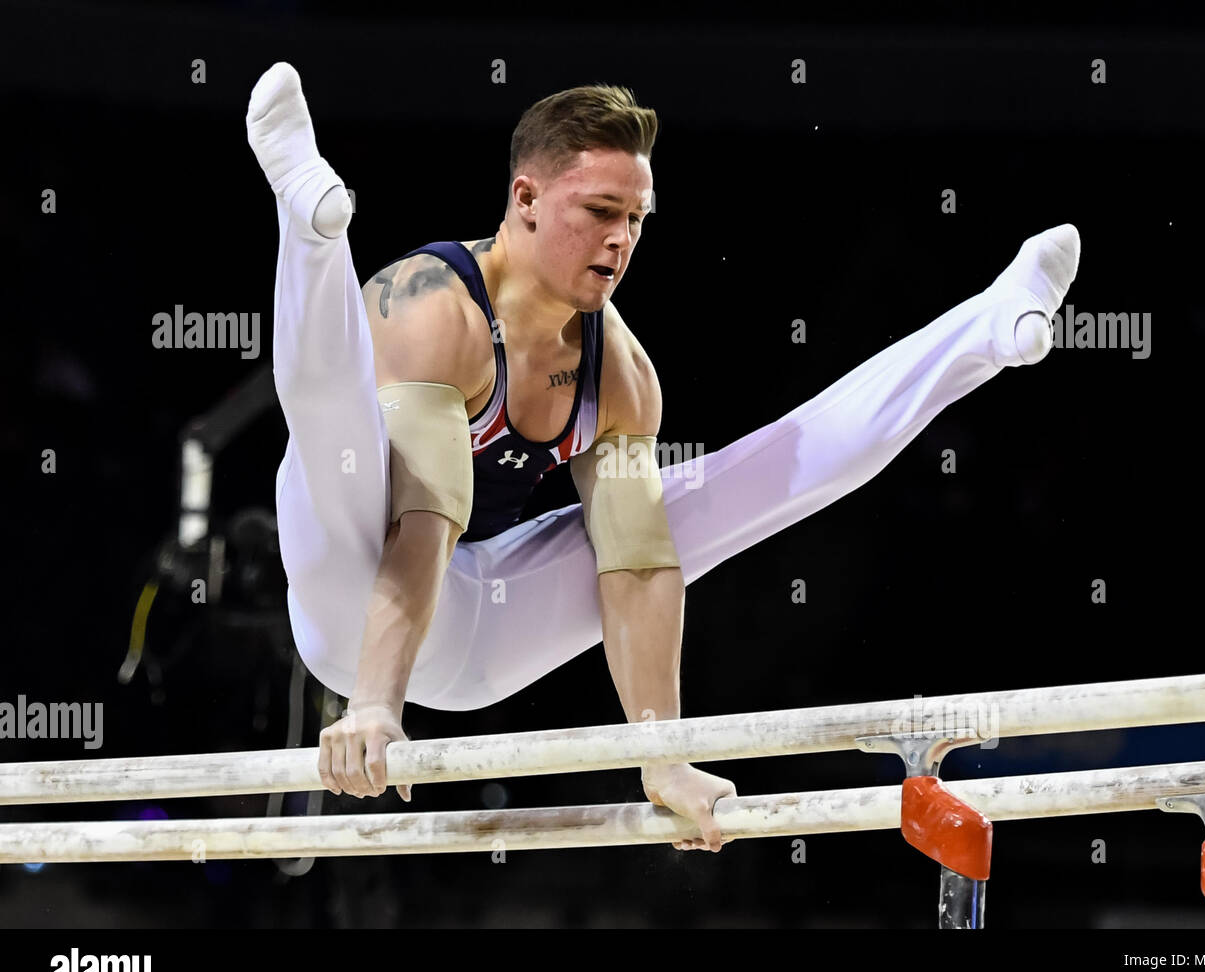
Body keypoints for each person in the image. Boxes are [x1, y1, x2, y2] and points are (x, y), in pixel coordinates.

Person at [246, 61, 1080, 853]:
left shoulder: (621, 375)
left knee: (734, 489)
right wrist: (372, 707)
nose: (621, 241)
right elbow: (421, 523)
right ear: (526, 199)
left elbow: (638, 573)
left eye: (637, 220)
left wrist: (664, 757)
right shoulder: (432, 309)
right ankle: (310, 218)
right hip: (351, 607)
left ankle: (987, 328)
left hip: (475, 633)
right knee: (330, 444)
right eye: (600, 211)